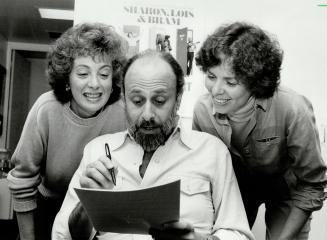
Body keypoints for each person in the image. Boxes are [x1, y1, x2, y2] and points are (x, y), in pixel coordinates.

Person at [52, 49, 254, 240]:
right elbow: (62, 236)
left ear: (178, 99)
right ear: (124, 99)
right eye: (137, 101)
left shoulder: (212, 151)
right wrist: (89, 203)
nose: (147, 115)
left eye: (159, 100)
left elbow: (238, 233)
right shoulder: (97, 151)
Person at [193, 21, 327, 240]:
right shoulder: (203, 110)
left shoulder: (293, 108)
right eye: (211, 76)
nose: (216, 90)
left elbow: (311, 184)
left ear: (255, 82)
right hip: (237, 190)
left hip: (287, 193)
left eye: (231, 81)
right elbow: (205, 177)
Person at [7, 22, 128, 240]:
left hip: (94, 213)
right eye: (83, 73)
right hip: (45, 210)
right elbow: (22, 182)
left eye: (104, 74)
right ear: (67, 79)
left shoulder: (123, 114)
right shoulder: (46, 109)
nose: (94, 84)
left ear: (114, 79)